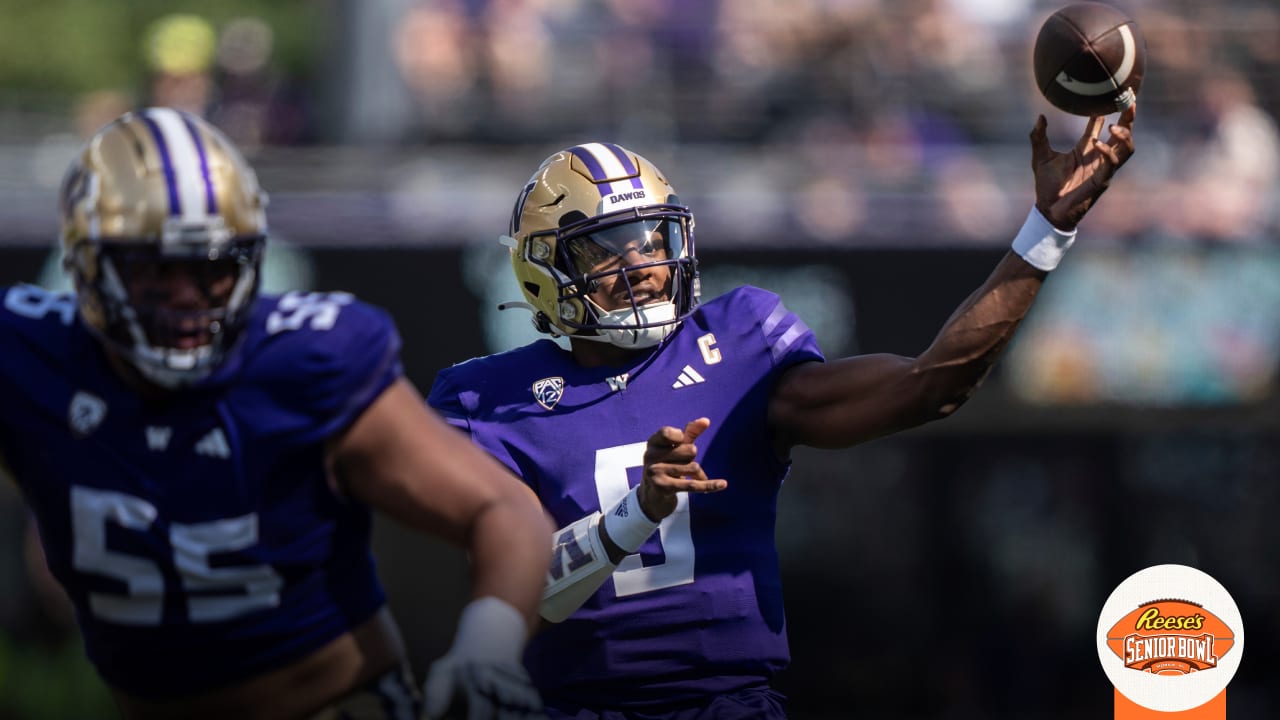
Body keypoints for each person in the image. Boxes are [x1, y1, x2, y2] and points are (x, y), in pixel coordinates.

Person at [427, 108, 1137, 719]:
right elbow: (524, 590)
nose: (642, 264)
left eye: (652, 239)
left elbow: (932, 386)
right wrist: (636, 512)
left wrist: (1045, 231)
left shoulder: (737, 344)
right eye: (609, 249)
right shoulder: (487, 400)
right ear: (541, 270)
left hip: (728, 705)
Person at [0, 107, 553, 720]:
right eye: (156, 270)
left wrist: (488, 648)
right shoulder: (28, 352)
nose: (186, 297)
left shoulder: (303, 360)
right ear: (86, 267)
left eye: (210, 267)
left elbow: (501, 507)